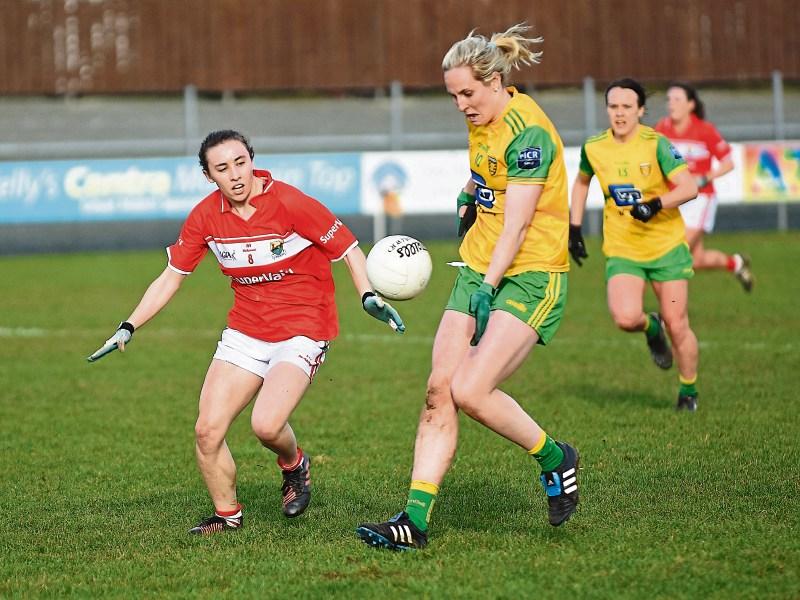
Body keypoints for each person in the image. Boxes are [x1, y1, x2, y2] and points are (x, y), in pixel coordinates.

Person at [87, 129, 405, 535]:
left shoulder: (291, 202)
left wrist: (366, 296)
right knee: (207, 430)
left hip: (304, 328)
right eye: (222, 168)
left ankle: (294, 465)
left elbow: (348, 249)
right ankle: (227, 516)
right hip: (246, 330)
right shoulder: (205, 216)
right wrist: (128, 325)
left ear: (252, 160)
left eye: (240, 162)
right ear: (209, 176)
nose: (235, 174)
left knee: (267, 425)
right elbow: (171, 277)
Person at [356, 24, 579, 552]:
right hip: (479, 264)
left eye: (468, 93)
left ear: (496, 81)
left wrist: (489, 287)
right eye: (453, 95)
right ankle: (414, 520)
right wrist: (470, 194)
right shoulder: (482, 118)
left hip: (531, 274)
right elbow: (486, 177)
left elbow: (520, 224)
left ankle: (555, 458)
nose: (460, 105)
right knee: (439, 391)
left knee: (472, 390)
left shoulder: (530, 134)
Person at [569, 78, 702, 411]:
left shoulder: (656, 143)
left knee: (678, 322)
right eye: (613, 106)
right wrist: (574, 228)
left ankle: (688, 390)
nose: (619, 113)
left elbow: (689, 187)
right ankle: (650, 326)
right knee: (626, 317)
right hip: (623, 247)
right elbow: (582, 182)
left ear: (640, 110)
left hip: (666, 247)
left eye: (627, 107)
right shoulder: (594, 147)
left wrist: (655, 205)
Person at [655, 82, 753, 291]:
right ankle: (736, 263)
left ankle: (669, 313)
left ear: (690, 105)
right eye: (668, 99)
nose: (671, 104)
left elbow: (728, 163)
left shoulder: (705, 130)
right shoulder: (662, 129)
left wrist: (704, 177)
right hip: (674, 198)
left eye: (677, 99)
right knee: (696, 260)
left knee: (673, 253)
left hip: (700, 199)